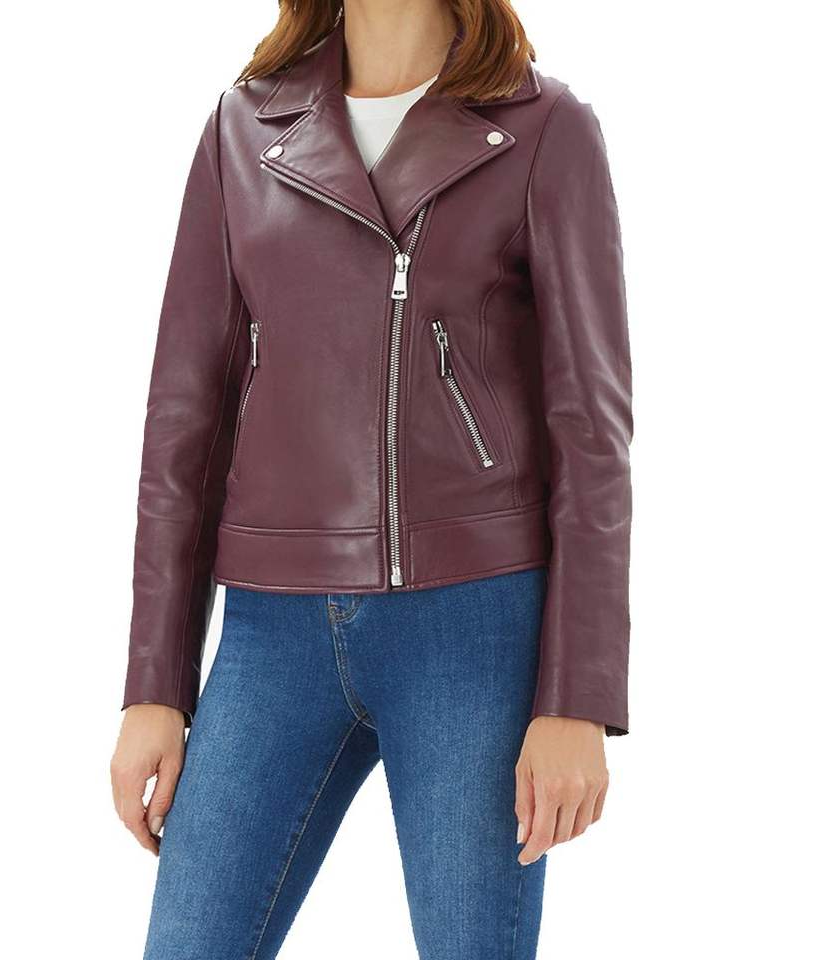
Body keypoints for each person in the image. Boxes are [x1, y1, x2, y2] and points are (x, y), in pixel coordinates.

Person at [111, 1, 631, 956]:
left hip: (472, 627)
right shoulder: (242, 129)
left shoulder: (544, 129)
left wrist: (578, 697)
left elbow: (592, 437)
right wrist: (155, 684)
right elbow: (183, 425)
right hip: (270, 631)